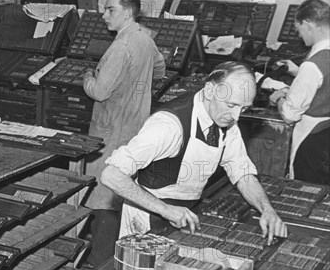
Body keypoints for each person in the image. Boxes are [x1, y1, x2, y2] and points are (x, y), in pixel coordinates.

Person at [101, 62, 287, 245]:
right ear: (210, 91)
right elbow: (112, 175)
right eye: (231, 105)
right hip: (148, 215)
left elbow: (242, 172)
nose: (237, 116)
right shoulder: (168, 126)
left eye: (244, 108)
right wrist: (165, 209)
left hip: (186, 211)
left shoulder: (225, 119)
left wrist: (266, 209)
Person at [81, 0, 166, 266]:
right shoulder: (144, 38)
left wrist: (86, 76)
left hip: (110, 130)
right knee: (120, 190)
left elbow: (100, 91)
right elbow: (160, 70)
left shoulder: (121, 46)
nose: (104, 15)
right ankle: (109, 255)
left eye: (110, 10)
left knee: (101, 193)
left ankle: (97, 260)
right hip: (134, 127)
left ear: (128, 12)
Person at [269, 0, 330, 184]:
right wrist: (298, 71)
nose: (299, 36)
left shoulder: (312, 65)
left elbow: (289, 115)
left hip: (311, 139)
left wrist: (279, 98)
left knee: (305, 188)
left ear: (308, 24)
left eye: (299, 29)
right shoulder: (319, 60)